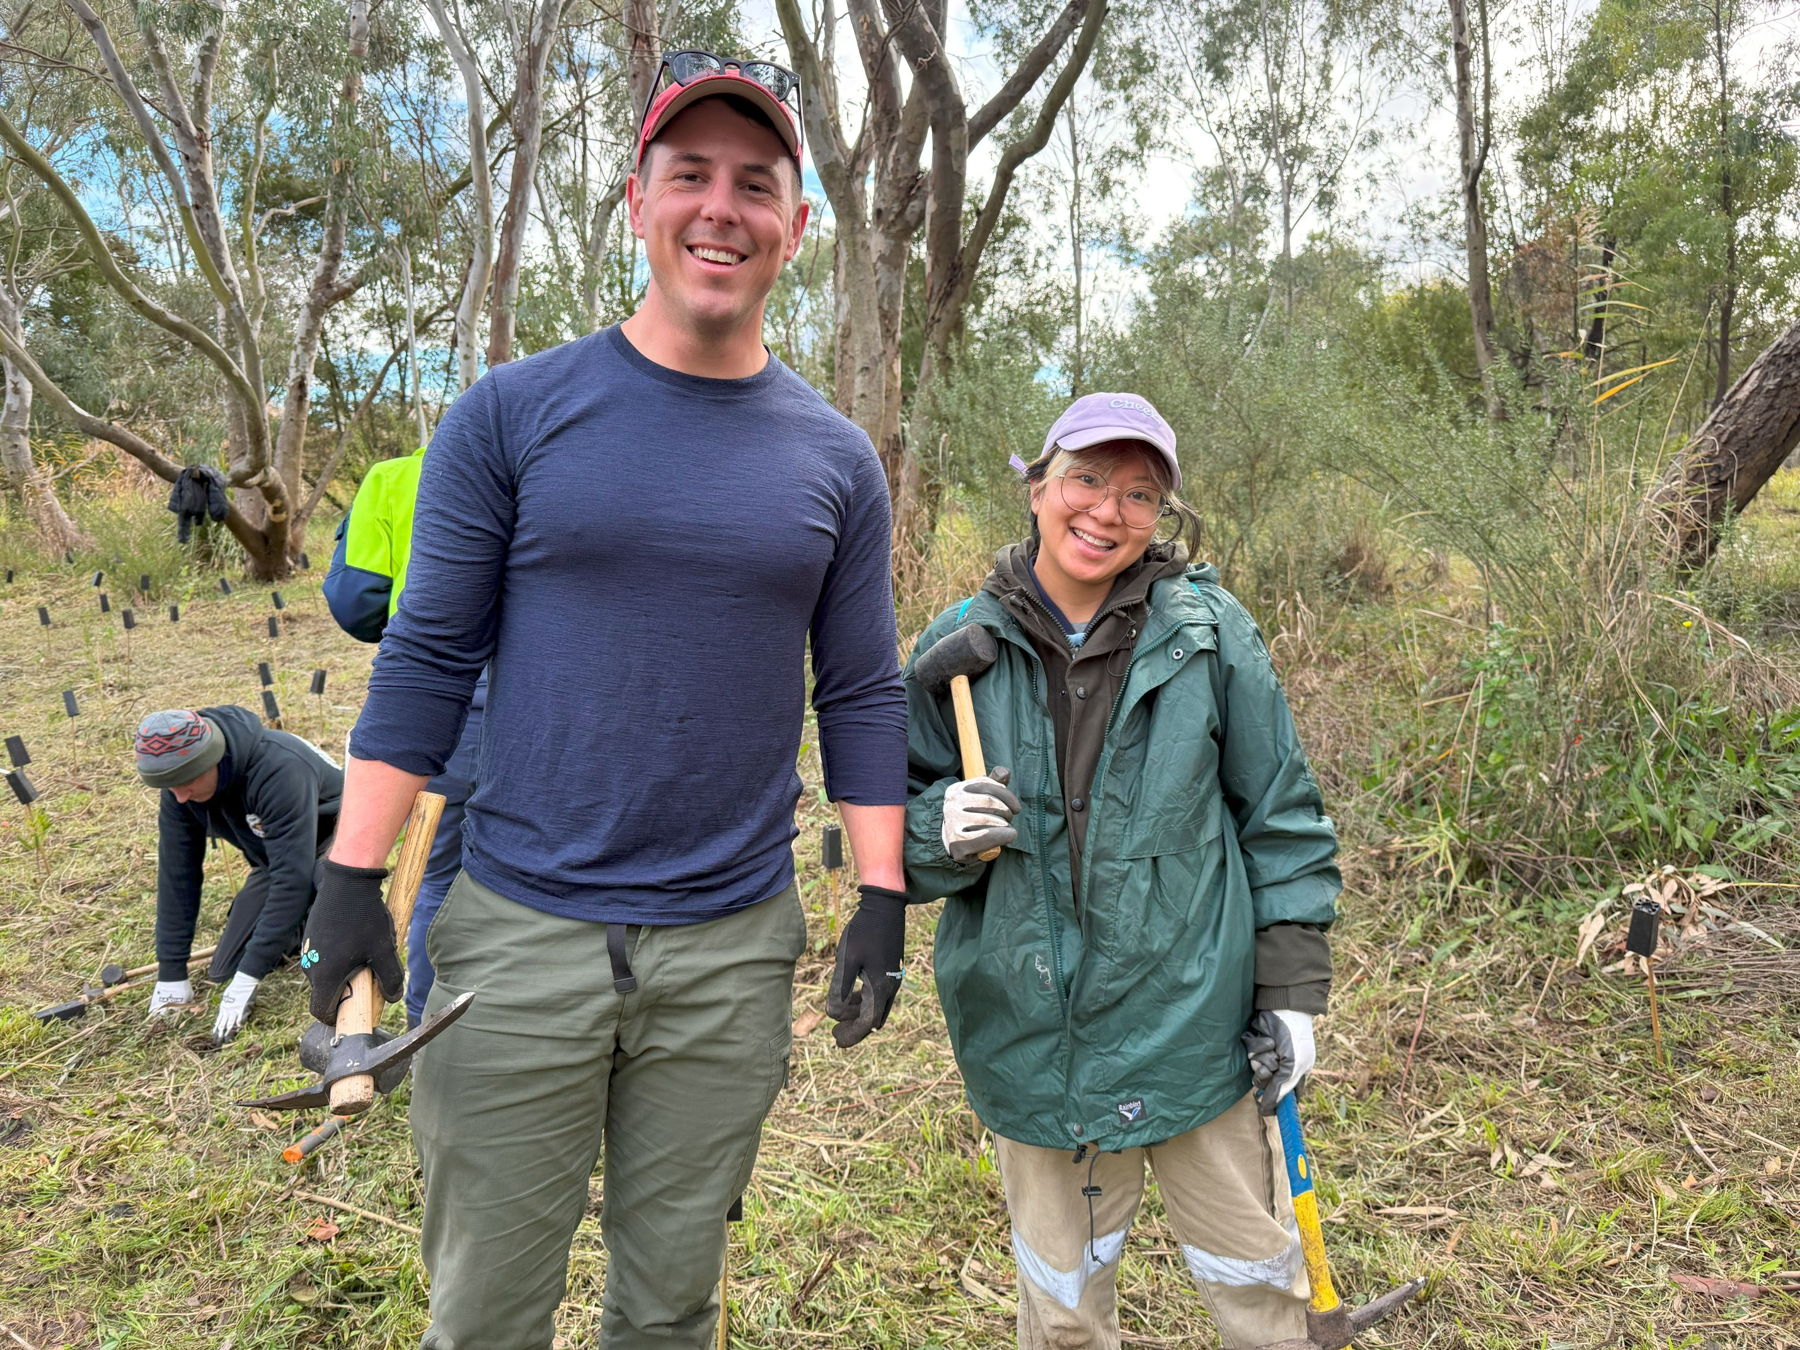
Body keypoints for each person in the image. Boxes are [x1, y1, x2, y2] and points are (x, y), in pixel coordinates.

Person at [299, 50, 909, 1350]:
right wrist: (351, 881)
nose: (720, 209)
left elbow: (859, 689)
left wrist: (885, 895)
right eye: (689, 175)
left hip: (730, 948)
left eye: (757, 184)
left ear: (797, 225)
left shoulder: (836, 461)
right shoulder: (512, 416)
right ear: (637, 200)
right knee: (485, 1308)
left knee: (671, 1300)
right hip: (516, 934)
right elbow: (425, 657)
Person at [901, 392, 1340, 1349]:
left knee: (1258, 1278)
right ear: (1038, 485)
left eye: (1140, 495)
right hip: (1032, 1025)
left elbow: (1281, 816)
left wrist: (1292, 989)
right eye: (1087, 479)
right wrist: (935, 829)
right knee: (1061, 1300)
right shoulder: (957, 647)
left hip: (1192, 1020)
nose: (1106, 512)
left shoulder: (1210, 634)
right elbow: (878, 826)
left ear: (1163, 518)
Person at [323, 445, 485, 1027]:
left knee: (437, 868)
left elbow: (356, 604)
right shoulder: (542, 460)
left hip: (429, 689)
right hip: (533, 687)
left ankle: (424, 1021)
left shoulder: (392, 478)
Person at [137, 706, 343, 1043]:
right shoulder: (179, 784)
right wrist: (171, 972)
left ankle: (326, 930)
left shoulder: (279, 768)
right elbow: (178, 876)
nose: (179, 797)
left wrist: (250, 978)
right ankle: (296, 926)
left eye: (185, 784)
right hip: (276, 860)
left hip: (333, 846)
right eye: (169, 788)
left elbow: (292, 878)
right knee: (224, 970)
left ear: (212, 760)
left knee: (319, 900)